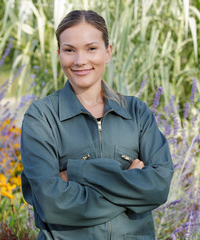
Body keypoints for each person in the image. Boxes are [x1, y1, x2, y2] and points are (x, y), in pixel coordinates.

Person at [21, 10, 174, 240]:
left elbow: (159, 186)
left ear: (108, 52)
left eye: (91, 48)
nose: (80, 60)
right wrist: (130, 186)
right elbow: (51, 203)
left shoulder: (137, 112)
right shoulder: (41, 118)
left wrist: (77, 172)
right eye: (69, 50)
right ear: (59, 54)